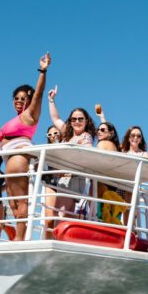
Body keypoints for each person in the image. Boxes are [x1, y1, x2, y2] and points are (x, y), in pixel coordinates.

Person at [0, 53, 51, 240]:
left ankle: (20, 239)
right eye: (16, 98)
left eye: (23, 98)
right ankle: (17, 238)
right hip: (8, 163)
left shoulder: (30, 115)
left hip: (19, 159)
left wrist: (42, 71)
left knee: (21, 204)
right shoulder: (12, 119)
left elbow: (39, 94)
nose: (19, 101)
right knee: (13, 206)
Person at [46, 86, 95, 219]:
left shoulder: (85, 136)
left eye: (80, 119)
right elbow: (56, 119)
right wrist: (51, 100)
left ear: (86, 121)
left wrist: (79, 149)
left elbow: (89, 152)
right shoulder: (67, 134)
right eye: (74, 119)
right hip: (63, 180)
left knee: (62, 214)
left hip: (75, 180)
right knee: (62, 214)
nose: (77, 122)